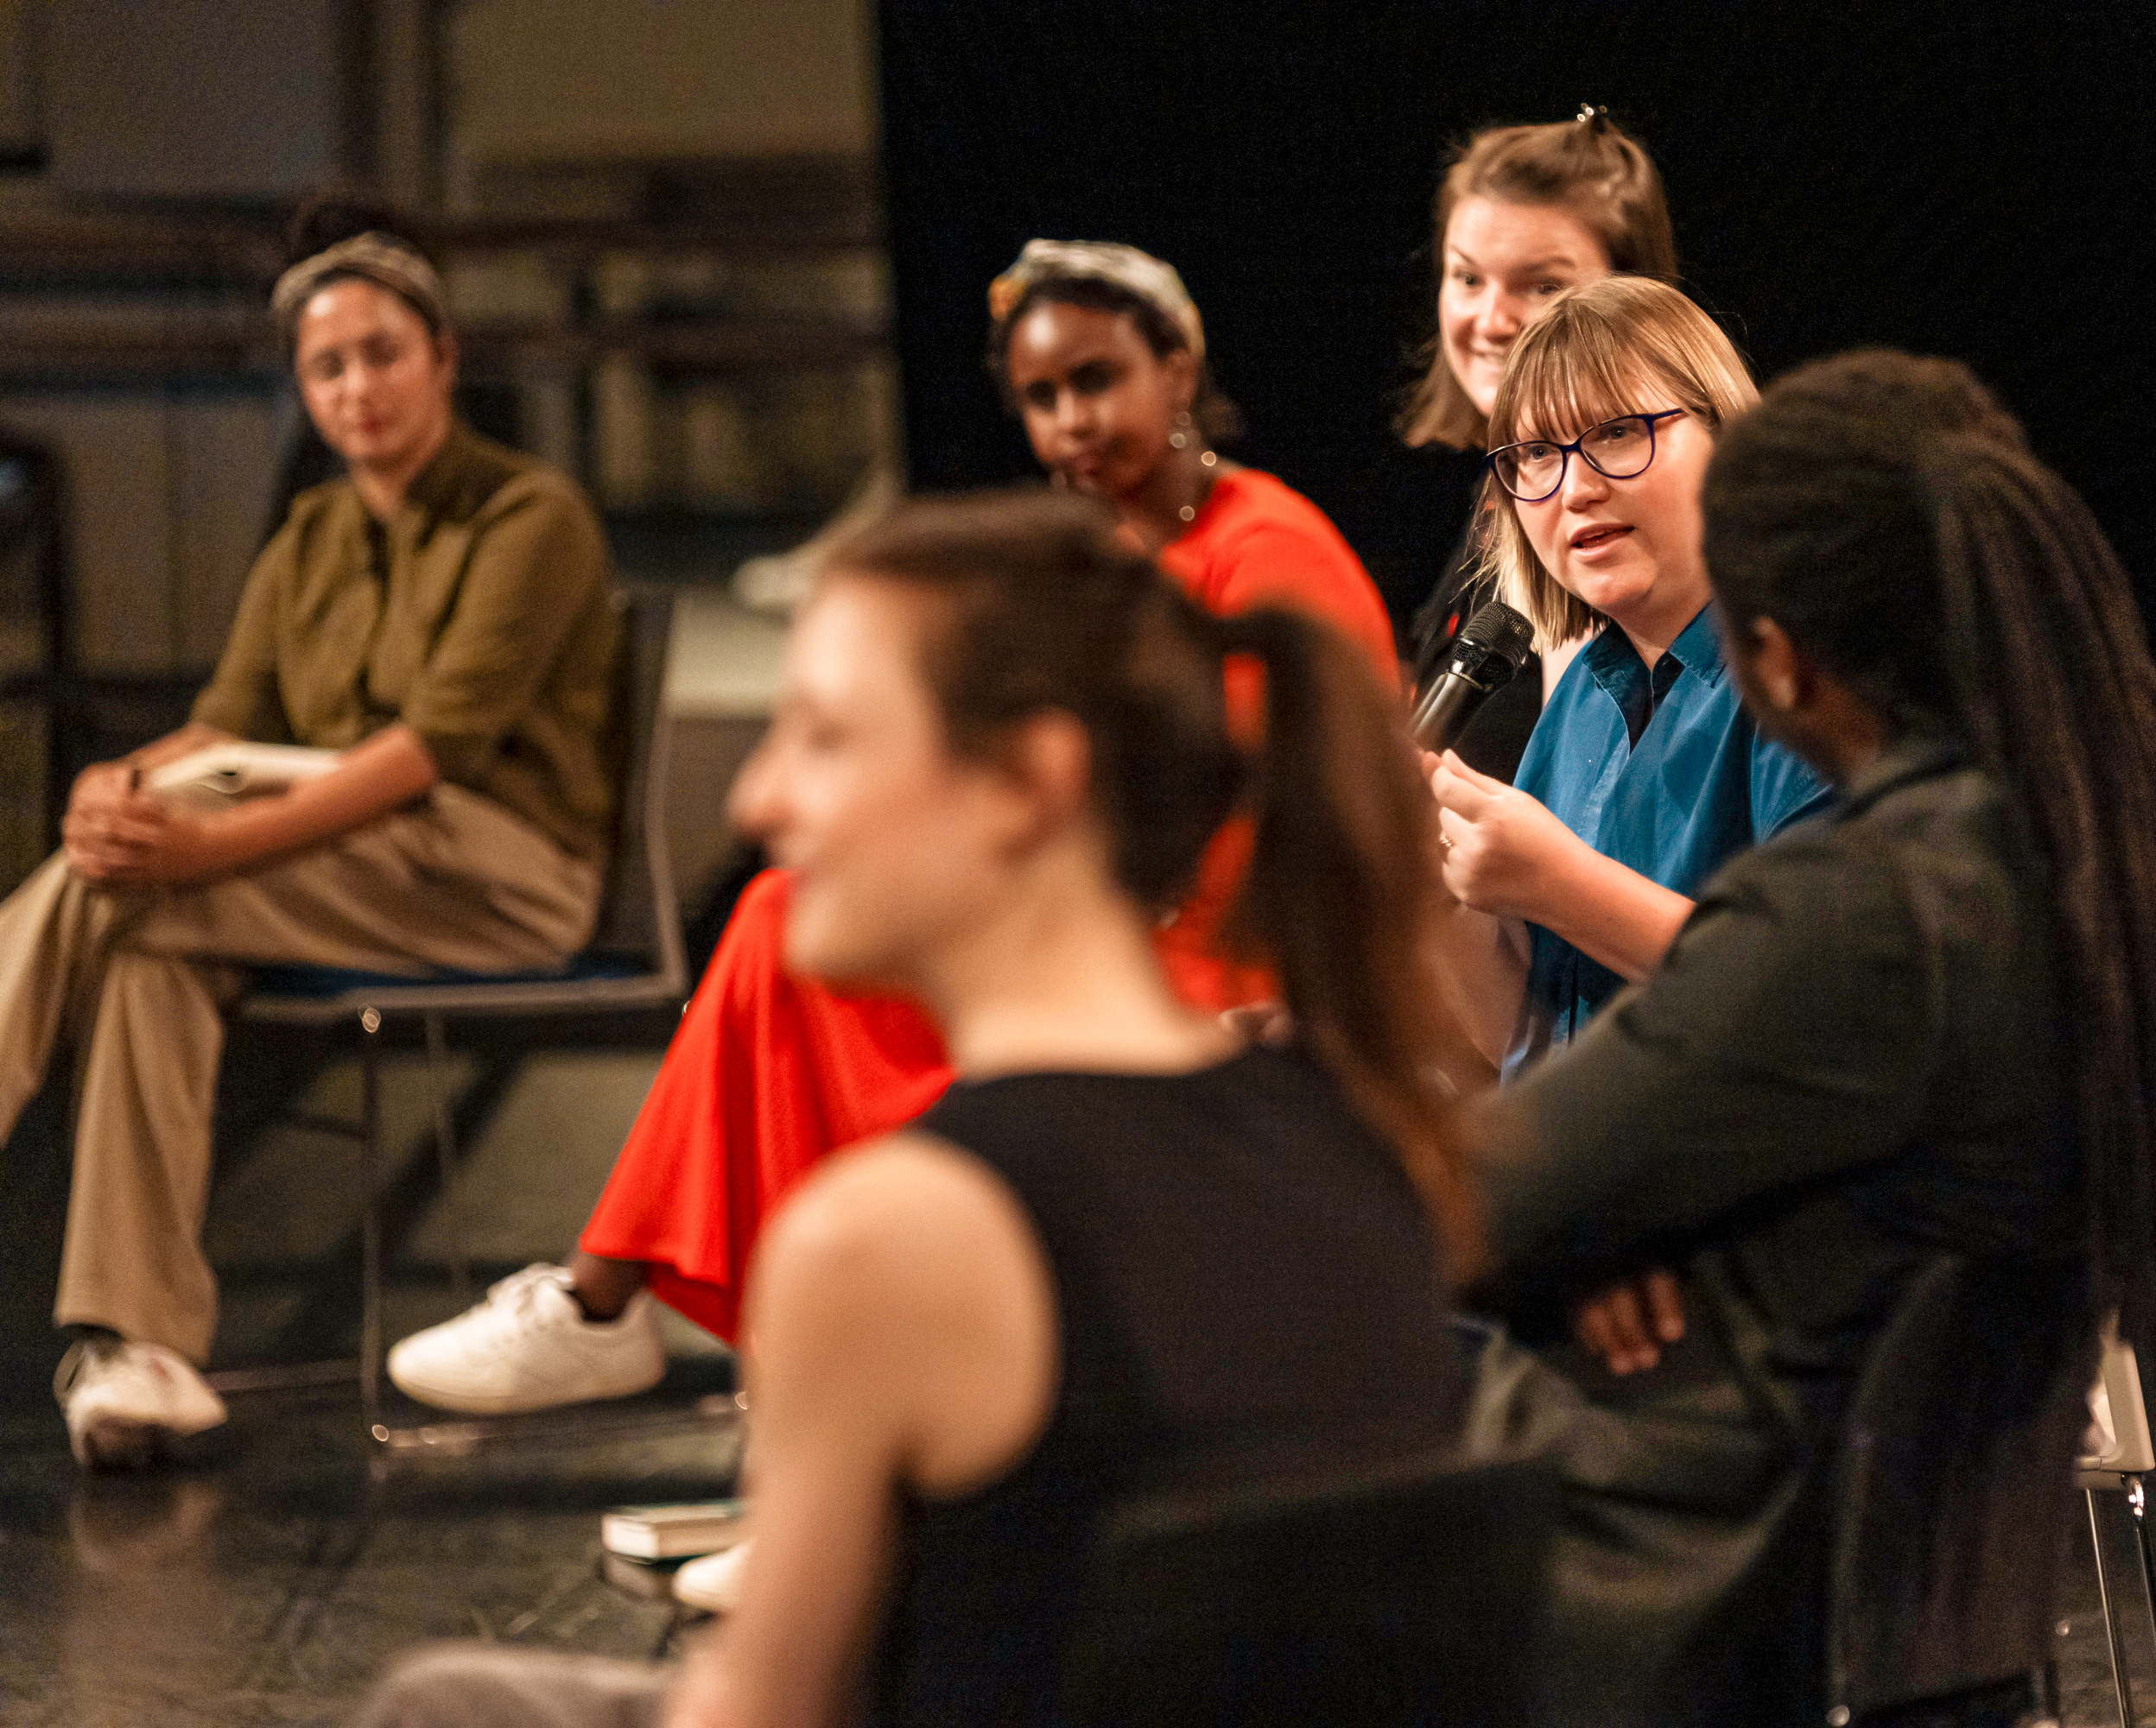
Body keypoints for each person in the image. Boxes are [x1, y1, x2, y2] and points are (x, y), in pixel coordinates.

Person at [357, 490, 1469, 1728]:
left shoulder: (889, 1240)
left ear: (1027, 782)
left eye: (826, 738)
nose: (759, 800)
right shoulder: (1366, 1138)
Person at [385, 241, 1397, 1418]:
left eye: (1096, 379)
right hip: (1113, 925)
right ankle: (694, 1349)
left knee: (795, 933)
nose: (1072, 420)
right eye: (1041, 398)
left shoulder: (1262, 549)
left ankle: (653, 1326)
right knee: (781, 916)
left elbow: (1248, 836)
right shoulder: (1097, 554)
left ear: (1179, 369)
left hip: (1222, 959)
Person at [1467, 350, 2156, 1724]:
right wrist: (1619, 1222)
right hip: (1936, 1635)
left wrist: (1600, 1221)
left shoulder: (1872, 911)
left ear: (1774, 649)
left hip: (1744, 1626)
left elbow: (1478, 1198)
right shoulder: (2062, 859)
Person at [0, 200, 618, 1468]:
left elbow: (425, 755)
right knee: (144, 937)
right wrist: (115, 789)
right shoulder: (314, 534)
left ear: (445, 356)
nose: (358, 387)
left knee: (150, 885)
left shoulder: (529, 516)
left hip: (503, 874)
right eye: (328, 366)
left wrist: (200, 850)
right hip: (341, 868)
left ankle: (135, 1331)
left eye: (384, 353)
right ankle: (144, 1349)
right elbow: (224, 725)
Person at [1426, 275, 1830, 1079]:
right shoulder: (1580, 698)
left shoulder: (1808, 669)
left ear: (1727, 438)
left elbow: (1819, 989)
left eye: (1616, 432)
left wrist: (1559, 882)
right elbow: (1526, 1036)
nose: (1574, 488)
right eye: (1536, 454)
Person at [1400, 104, 1676, 783]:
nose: (1491, 320)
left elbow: (1590, 804)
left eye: (1544, 285)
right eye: (1467, 277)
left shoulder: (1599, 513)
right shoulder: (1502, 492)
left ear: (1634, 296)